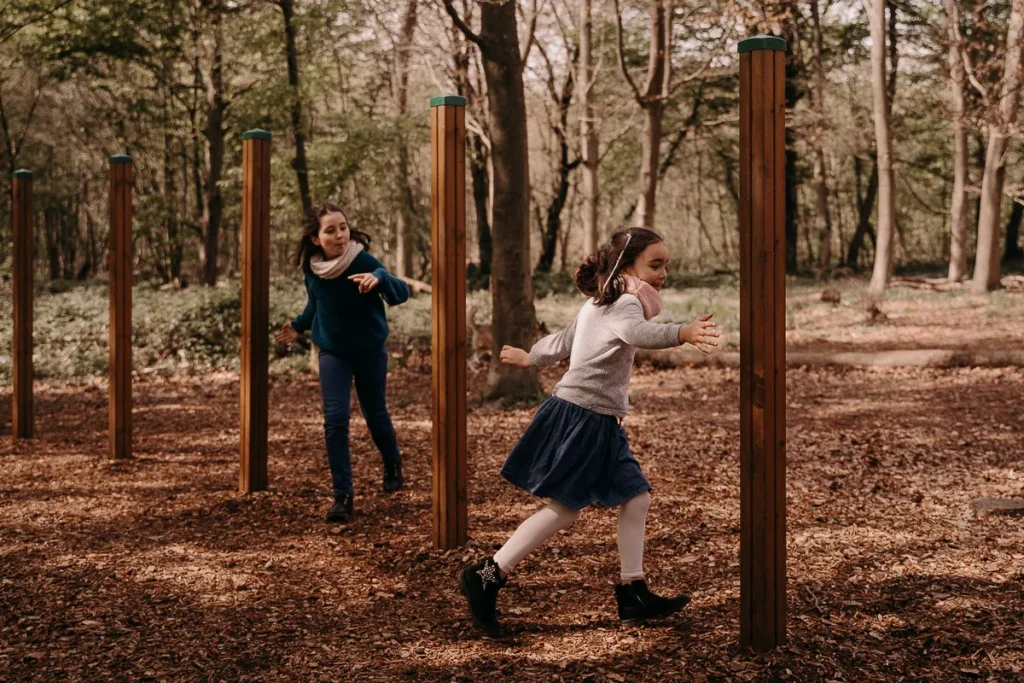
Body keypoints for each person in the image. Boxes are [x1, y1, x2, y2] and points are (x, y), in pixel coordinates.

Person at [458, 227, 720, 636]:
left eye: (666, 265)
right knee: (565, 508)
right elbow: (637, 334)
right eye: (655, 265)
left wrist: (532, 357)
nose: (664, 273)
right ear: (626, 266)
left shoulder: (603, 302)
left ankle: (633, 590)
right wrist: (681, 332)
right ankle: (488, 574)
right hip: (582, 418)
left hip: (600, 422)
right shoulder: (625, 304)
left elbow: (565, 339)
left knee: (636, 498)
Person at [276, 203, 410, 523]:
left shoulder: (361, 259)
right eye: (330, 230)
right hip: (333, 352)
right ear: (315, 239)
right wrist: (297, 326)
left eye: (343, 227)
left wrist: (379, 277)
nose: (339, 235)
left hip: (368, 349)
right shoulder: (314, 269)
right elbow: (316, 305)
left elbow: (401, 293)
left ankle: (392, 463)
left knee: (374, 412)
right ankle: (342, 496)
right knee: (335, 420)